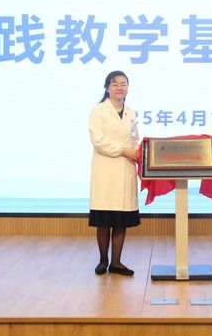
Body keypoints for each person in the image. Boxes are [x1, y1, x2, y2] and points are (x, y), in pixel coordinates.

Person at [88, 70, 140, 276]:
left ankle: (116, 263)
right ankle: (103, 261)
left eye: (123, 84)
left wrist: (139, 150)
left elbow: (134, 139)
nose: (119, 87)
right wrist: (123, 150)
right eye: (115, 84)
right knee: (104, 221)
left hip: (126, 168)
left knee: (121, 221)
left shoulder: (131, 112)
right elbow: (98, 141)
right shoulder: (98, 111)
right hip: (106, 168)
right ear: (107, 88)